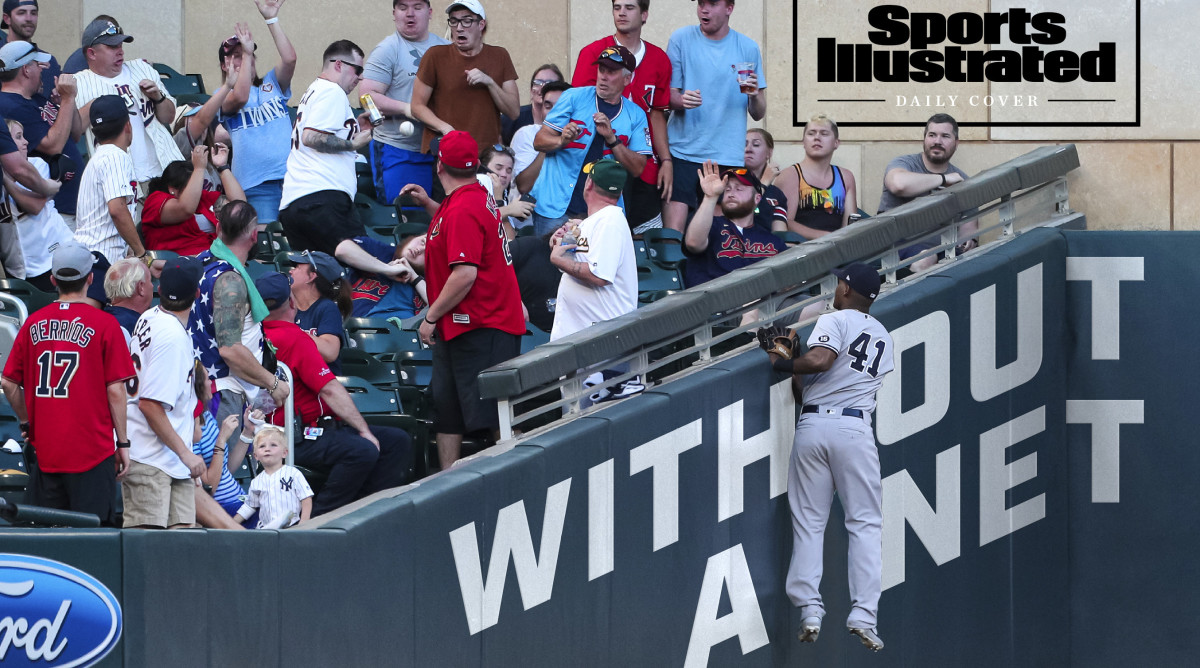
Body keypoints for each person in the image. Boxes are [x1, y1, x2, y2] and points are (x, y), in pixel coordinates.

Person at [766, 263, 893, 653]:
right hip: (854, 429)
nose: (836, 287)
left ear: (847, 290)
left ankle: (809, 609)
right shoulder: (884, 337)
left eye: (841, 282)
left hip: (814, 428)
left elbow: (820, 362)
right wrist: (799, 360)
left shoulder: (834, 319)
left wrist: (783, 362)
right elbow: (815, 376)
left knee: (809, 523)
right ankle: (864, 616)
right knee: (865, 524)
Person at [257, 271, 414, 515]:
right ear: (291, 302)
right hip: (297, 435)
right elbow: (329, 389)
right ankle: (322, 517)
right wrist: (364, 431)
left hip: (284, 432)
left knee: (395, 441)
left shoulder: (253, 336)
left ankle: (371, 511)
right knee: (363, 450)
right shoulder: (294, 337)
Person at [0, 242, 133, 526]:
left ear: (52, 280)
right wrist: (122, 441)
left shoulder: (33, 323)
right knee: (93, 540)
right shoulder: (105, 324)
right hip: (92, 452)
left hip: (46, 450)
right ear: (90, 278)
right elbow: (115, 390)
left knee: (48, 543)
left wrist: (26, 422)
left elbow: (9, 383)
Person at [418, 131, 524, 468]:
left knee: (493, 415)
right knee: (447, 411)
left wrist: (430, 316)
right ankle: (445, 483)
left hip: (484, 325)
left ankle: (515, 477)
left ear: (440, 166)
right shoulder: (467, 197)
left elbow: (465, 274)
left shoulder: (465, 205)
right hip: (462, 325)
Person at [191, 200, 290, 478]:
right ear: (254, 235)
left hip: (208, 387)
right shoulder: (230, 280)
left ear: (218, 228)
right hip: (221, 395)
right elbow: (231, 350)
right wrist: (272, 384)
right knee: (218, 481)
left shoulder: (201, 262)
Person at [663, 0, 766, 233]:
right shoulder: (681, 39)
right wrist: (681, 101)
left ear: (729, 8)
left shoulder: (747, 47)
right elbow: (667, 96)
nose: (704, 9)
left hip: (727, 155)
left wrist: (755, 94)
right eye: (701, 3)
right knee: (672, 236)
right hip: (683, 152)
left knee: (722, 234)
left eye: (711, 4)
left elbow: (758, 113)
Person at [122, 257, 207, 529]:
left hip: (171, 463)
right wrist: (186, 454)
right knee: (147, 557)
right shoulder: (172, 337)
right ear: (197, 294)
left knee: (181, 554)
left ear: (159, 289)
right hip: (150, 460)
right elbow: (150, 404)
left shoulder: (149, 315)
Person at [529, 45, 650, 235]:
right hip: (556, 207)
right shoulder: (573, 96)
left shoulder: (637, 115)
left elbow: (638, 168)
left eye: (611, 72)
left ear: (627, 78)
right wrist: (562, 140)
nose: (603, 76)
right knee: (548, 263)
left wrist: (612, 139)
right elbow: (539, 141)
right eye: (601, 69)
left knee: (594, 265)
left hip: (602, 213)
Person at [573, 0, 673, 230]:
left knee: (640, 234)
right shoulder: (592, 53)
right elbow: (580, 106)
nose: (621, 13)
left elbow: (657, 113)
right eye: (617, 7)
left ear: (644, 14)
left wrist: (666, 160)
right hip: (600, 158)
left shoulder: (659, 59)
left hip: (641, 161)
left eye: (629, 7)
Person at [548, 160, 640, 404]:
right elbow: (577, 260)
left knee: (594, 427)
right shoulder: (595, 222)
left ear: (589, 183)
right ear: (618, 192)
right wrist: (562, 242)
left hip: (601, 347)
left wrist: (558, 259)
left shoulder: (610, 220)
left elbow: (599, 276)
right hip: (586, 342)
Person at [278, 39, 371, 254]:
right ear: (339, 65)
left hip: (297, 203)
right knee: (360, 270)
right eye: (357, 70)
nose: (361, 77)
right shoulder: (332, 91)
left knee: (323, 282)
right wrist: (352, 143)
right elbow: (312, 137)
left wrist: (352, 128)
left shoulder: (314, 90)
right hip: (323, 199)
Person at [74, 19, 183, 187]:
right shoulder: (79, 83)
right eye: (112, 47)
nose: (120, 51)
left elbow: (169, 117)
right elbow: (75, 131)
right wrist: (99, 103)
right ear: (92, 53)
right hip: (120, 180)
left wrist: (158, 97)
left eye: (120, 45)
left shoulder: (142, 68)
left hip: (165, 171)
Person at [361, 0, 448, 203]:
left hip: (439, 151)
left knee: (442, 220)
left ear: (430, 12)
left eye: (417, 7)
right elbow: (366, 97)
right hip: (398, 151)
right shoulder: (388, 49)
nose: (410, 13)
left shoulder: (445, 49)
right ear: (394, 13)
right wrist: (409, 109)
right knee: (408, 220)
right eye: (403, 8)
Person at [218, 0, 297, 223]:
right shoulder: (221, 95)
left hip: (293, 179)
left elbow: (290, 59)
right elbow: (241, 96)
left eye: (247, 52)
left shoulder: (272, 82)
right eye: (236, 55)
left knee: (299, 244)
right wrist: (247, 52)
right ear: (224, 66)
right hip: (256, 187)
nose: (244, 57)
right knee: (266, 248)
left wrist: (271, 19)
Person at [409, 0, 519, 155]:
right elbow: (417, 106)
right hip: (445, 150)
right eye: (453, 21)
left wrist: (490, 82)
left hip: (485, 154)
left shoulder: (500, 56)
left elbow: (514, 112)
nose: (459, 28)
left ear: (481, 25)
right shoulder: (435, 55)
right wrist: (445, 129)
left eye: (466, 21)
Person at [0, 40, 84, 229]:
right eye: (38, 65)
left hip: (70, 205)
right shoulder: (10, 105)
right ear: (26, 70)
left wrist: (66, 102)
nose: (42, 70)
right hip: (53, 208)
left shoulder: (35, 98)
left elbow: (76, 134)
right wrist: (68, 98)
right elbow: (54, 146)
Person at [879, 113, 977, 271]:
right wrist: (943, 179)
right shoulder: (904, 164)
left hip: (942, 250)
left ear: (956, 143)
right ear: (924, 139)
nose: (937, 141)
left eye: (945, 136)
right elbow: (898, 184)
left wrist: (968, 240)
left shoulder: (962, 181)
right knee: (927, 259)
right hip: (896, 245)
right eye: (932, 135)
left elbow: (969, 229)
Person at [682, 161, 785, 287]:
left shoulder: (772, 241)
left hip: (765, 302)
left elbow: (789, 281)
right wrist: (711, 197)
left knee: (813, 303)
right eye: (727, 189)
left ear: (757, 199)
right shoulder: (712, 226)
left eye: (739, 189)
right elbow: (693, 243)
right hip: (716, 301)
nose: (731, 193)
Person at [1, 118, 73, 291]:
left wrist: (4, 177)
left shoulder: (36, 165)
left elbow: (34, 206)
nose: (25, 142)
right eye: (18, 137)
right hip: (19, 269)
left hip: (55, 257)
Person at [73, 94, 143, 264]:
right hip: (100, 257)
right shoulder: (114, 156)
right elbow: (117, 210)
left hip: (90, 255)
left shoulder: (99, 157)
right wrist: (141, 253)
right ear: (128, 126)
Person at [141, 145, 245, 256]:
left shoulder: (200, 198)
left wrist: (223, 167)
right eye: (193, 184)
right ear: (173, 190)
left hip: (213, 258)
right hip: (178, 265)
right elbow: (185, 209)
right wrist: (199, 168)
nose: (198, 188)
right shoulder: (155, 200)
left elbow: (240, 206)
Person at [773, 115, 857, 240]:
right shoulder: (790, 175)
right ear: (803, 142)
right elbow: (785, 222)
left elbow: (851, 224)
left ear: (836, 143)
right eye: (811, 133)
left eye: (824, 133)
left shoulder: (846, 177)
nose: (817, 137)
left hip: (837, 248)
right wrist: (825, 237)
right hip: (800, 249)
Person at [284, 249, 351, 374]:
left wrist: (291, 332)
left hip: (322, 382)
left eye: (297, 267)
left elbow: (330, 352)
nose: (290, 271)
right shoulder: (284, 306)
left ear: (311, 276)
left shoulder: (327, 308)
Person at [234, 425, 313, 528]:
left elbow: (306, 498)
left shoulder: (293, 473)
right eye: (262, 446)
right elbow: (250, 506)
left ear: (284, 453)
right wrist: (231, 523)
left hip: (292, 526)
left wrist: (304, 522)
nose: (267, 449)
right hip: (266, 530)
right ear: (256, 456)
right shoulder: (256, 481)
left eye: (273, 445)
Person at [336, 233, 427, 319]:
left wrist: (415, 278)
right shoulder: (381, 250)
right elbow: (342, 250)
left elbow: (439, 310)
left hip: (401, 332)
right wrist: (387, 269)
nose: (419, 250)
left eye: (427, 253)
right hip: (355, 326)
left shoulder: (429, 282)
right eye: (422, 241)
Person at [512, 80, 568, 194]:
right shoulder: (527, 134)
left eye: (560, 107)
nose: (553, 112)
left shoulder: (581, 138)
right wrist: (547, 144)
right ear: (541, 110)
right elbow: (524, 187)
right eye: (548, 106)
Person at [2, 1, 60, 98]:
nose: (29, 19)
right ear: (7, 19)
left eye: (33, 13)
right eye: (21, 13)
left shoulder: (49, 61)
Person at [501, 63, 563, 146]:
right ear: (531, 90)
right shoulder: (513, 118)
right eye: (537, 83)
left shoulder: (567, 120)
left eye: (549, 83)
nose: (543, 88)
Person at [741, 128, 789, 233]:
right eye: (744, 144)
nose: (748, 149)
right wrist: (764, 182)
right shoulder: (730, 185)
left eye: (756, 145)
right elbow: (739, 217)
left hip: (766, 247)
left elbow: (780, 234)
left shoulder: (776, 194)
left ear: (769, 153)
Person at [480, 143, 533, 236]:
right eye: (498, 168)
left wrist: (499, 199)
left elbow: (510, 240)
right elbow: (478, 220)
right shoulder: (475, 187)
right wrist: (509, 210)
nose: (504, 174)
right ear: (484, 168)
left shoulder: (502, 194)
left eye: (509, 171)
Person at [103, 257, 152, 339]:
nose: (152, 285)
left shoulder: (97, 321)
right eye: (150, 281)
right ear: (141, 288)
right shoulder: (140, 328)